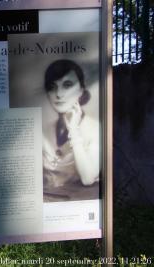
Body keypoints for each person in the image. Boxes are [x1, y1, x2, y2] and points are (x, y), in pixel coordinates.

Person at [42, 59, 100, 202]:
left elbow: (88, 179)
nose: (59, 94)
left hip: (78, 206)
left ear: (81, 90)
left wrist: (73, 130)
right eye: (52, 87)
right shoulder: (45, 130)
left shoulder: (94, 128)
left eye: (67, 85)